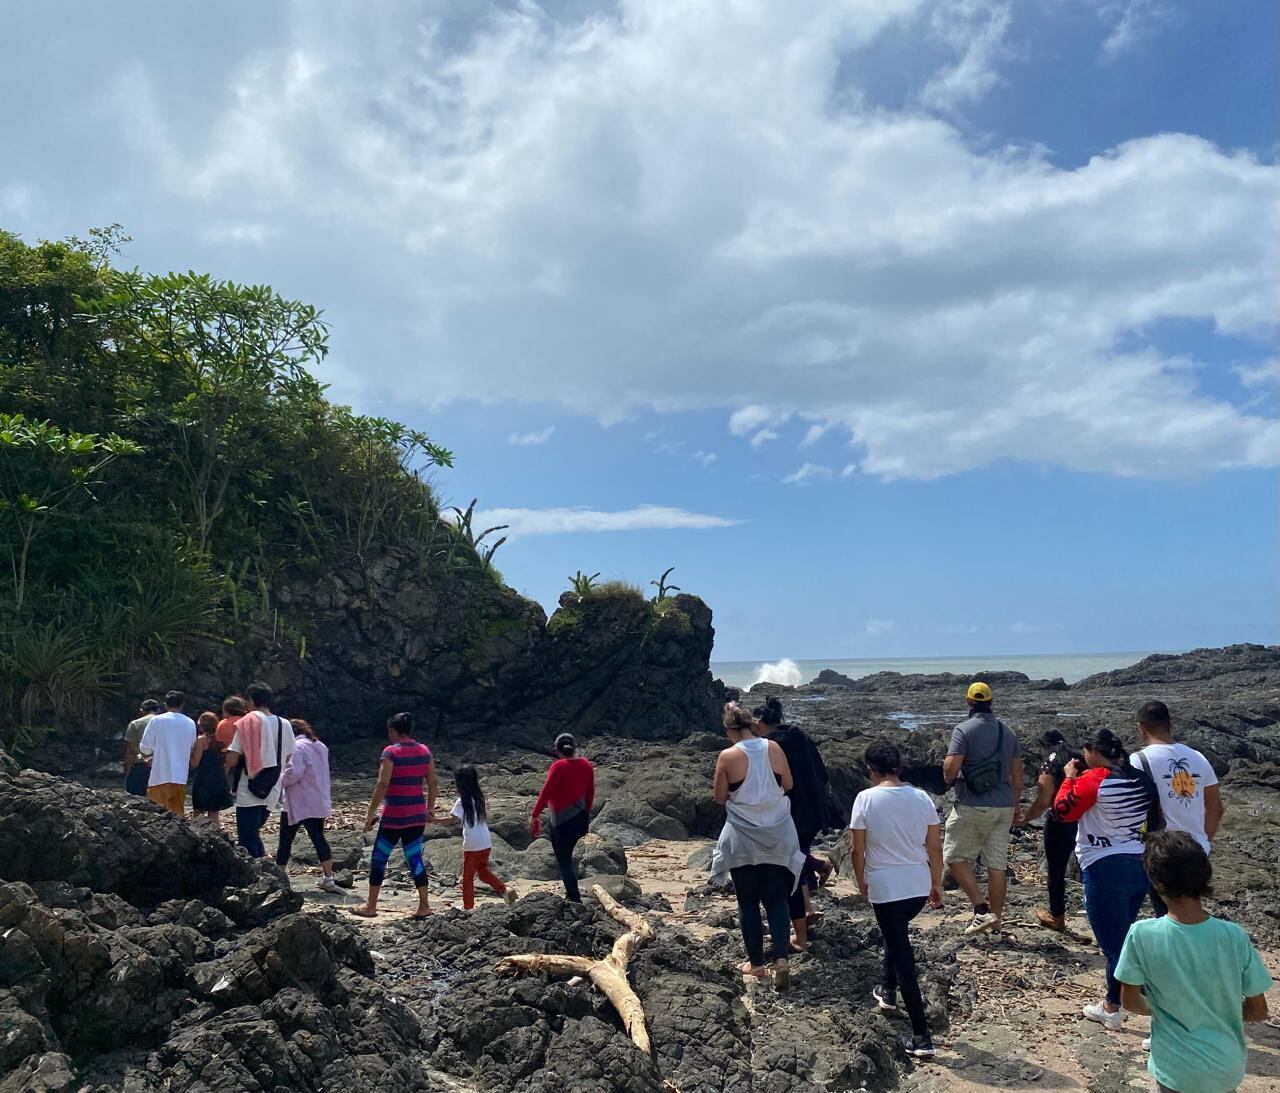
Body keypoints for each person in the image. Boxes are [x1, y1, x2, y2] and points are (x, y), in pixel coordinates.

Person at [1116, 831, 1271, 1093]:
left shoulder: (1142, 934)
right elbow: (1258, 1010)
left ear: (1156, 882)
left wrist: (1165, 1011)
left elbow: (1130, 1001)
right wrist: (1224, 1012)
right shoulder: (1233, 936)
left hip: (1177, 1068)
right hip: (1226, 1067)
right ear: (1204, 874)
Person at [1053, 726, 1162, 1030]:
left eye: (1084, 751)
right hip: (1139, 862)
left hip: (1103, 865)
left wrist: (1069, 779)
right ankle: (1115, 1003)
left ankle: (1138, 1007)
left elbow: (1062, 811)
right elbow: (1154, 818)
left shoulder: (1094, 779)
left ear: (1095, 752)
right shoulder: (1140, 778)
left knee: (1115, 946)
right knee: (1124, 936)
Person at [850, 740, 944, 1059]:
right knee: (896, 934)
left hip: (886, 888)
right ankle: (886, 990)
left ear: (870, 770)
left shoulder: (865, 799)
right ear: (898, 767)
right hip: (917, 886)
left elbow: (856, 848)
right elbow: (934, 847)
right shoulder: (921, 797)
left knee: (904, 956)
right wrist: (936, 882)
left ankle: (921, 1036)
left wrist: (861, 877)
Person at [709, 701, 804, 992]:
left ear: (728, 729)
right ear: (751, 724)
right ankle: (781, 960)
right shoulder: (773, 748)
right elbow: (788, 784)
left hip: (743, 838)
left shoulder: (728, 756)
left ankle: (756, 964)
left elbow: (719, 798)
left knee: (747, 902)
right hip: (778, 834)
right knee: (776, 900)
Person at [942, 681, 1023, 935]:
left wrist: (948, 777)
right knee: (996, 865)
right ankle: (995, 922)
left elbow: (951, 770)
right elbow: (1018, 776)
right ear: (990, 702)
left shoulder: (963, 730)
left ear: (968, 702)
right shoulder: (1007, 732)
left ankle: (980, 909)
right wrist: (1015, 806)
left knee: (954, 857)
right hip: (1004, 805)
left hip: (974, 804)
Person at [753, 696, 830, 951]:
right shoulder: (802, 737)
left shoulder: (770, 746)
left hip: (790, 812)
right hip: (815, 808)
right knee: (798, 855)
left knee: (793, 860)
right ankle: (808, 908)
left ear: (760, 723)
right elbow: (823, 771)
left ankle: (807, 905)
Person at [1134, 700, 1222, 917]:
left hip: (1160, 850)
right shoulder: (1197, 757)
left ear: (1140, 728)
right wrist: (1204, 841)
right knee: (1191, 910)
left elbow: (1130, 808)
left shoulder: (1138, 761)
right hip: (1195, 849)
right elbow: (1215, 808)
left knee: (1167, 914)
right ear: (1170, 724)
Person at [351, 711, 436, 920]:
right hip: (416, 813)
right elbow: (433, 782)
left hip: (394, 815)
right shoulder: (424, 751)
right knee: (414, 858)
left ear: (392, 730)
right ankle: (424, 904)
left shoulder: (390, 752)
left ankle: (371, 906)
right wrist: (430, 809)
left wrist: (370, 814)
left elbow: (383, 783)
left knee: (379, 858)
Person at [1018, 729, 1083, 932]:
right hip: (1086, 818)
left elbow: (1044, 800)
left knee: (1056, 870)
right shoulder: (1079, 758)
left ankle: (1058, 916)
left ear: (1045, 746)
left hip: (1060, 820)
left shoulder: (1049, 762)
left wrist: (1025, 818)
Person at [224, 681, 295, 859]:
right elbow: (288, 757)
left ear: (250, 700)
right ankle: (264, 870)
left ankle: (253, 876)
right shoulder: (284, 723)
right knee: (254, 832)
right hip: (272, 787)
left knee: (246, 837)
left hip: (250, 786)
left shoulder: (248, 722)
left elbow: (233, 757)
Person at [437, 765, 517, 910]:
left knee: (467, 878)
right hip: (485, 841)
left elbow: (451, 820)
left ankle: (468, 906)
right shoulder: (479, 798)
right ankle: (505, 889)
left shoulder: (462, 801)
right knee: (482, 872)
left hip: (472, 844)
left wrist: (433, 820)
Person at [530, 733, 596, 903]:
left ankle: (574, 898)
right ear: (574, 747)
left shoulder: (558, 766)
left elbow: (546, 792)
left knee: (564, 862)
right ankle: (571, 893)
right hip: (580, 820)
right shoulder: (586, 765)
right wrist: (585, 814)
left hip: (561, 823)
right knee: (568, 857)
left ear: (557, 750)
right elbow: (590, 793)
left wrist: (534, 815)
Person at [276, 719, 337, 893]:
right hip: (317, 798)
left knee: (285, 840)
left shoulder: (297, 746)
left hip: (298, 801)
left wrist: (279, 781)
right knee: (318, 838)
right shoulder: (319, 745)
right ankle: (328, 877)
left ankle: (280, 875)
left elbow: (294, 772)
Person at [139, 691, 197, 814]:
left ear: (165, 705)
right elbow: (192, 747)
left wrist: (154, 754)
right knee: (177, 817)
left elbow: (145, 748)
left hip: (159, 775)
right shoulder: (190, 723)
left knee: (156, 816)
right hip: (180, 777)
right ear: (182, 705)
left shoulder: (157, 720)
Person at [190, 711, 234, 821]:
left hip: (203, 780)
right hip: (219, 778)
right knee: (214, 814)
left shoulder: (202, 740)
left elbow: (195, 763)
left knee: (198, 813)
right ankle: (215, 837)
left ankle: (198, 837)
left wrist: (188, 752)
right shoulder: (221, 739)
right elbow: (227, 761)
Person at [123, 698, 160, 796]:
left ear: (141, 710)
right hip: (161, 766)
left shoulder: (135, 724)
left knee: (136, 800)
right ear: (158, 710)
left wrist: (127, 770)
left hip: (141, 765)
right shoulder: (166, 724)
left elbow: (131, 749)